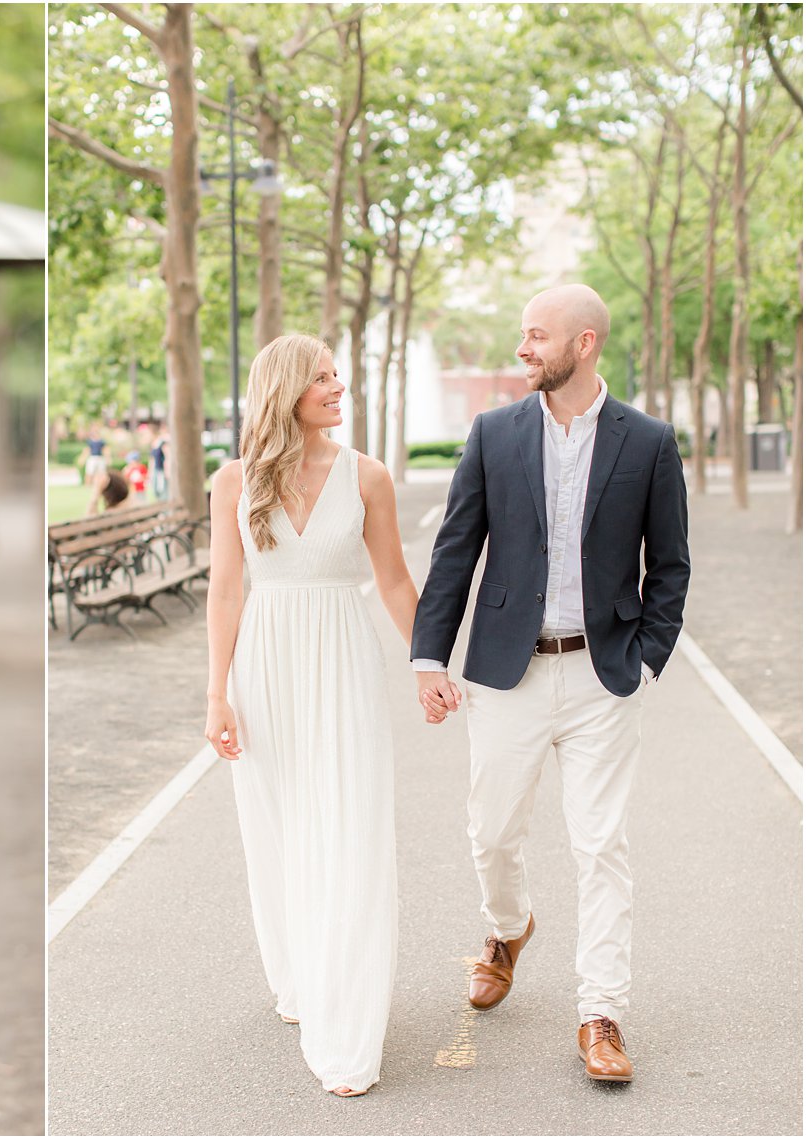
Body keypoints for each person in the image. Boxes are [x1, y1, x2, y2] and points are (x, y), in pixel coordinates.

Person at [411, 283, 689, 1084]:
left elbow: (669, 563)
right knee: (492, 831)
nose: (524, 348)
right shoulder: (494, 432)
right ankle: (508, 926)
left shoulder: (648, 441)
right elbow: (457, 550)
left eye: (537, 335)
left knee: (601, 845)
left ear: (585, 343)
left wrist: (645, 655)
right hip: (508, 669)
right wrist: (430, 656)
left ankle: (600, 1011)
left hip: (604, 675)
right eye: (523, 334)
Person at [203, 333, 435, 1097]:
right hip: (264, 667)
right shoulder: (235, 480)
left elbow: (397, 581)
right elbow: (227, 591)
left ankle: (349, 1026)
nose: (340, 387)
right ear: (285, 390)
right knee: (279, 829)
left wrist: (428, 662)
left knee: (349, 833)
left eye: (340, 374)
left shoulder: (368, 477)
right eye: (323, 377)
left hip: (343, 664)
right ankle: (305, 976)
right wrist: (216, 693)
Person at [150, 430, 169, 500]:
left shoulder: (163, 444)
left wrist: (167, 470)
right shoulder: (154, 445)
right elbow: (152, 459)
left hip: (162, 470)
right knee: (155, 490)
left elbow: (167, 457)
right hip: (156, 470)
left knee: (162, 490)